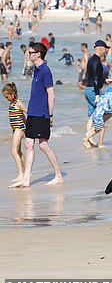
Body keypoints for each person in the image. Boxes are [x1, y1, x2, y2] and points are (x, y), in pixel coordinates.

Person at [9, 43, 63, 188]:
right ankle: (26, 179)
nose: (29, 54)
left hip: (42, 114)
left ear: (38, 54)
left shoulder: (45, 71)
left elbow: (51, 95)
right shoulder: (36, 69)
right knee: (28, 144)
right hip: (32, 113)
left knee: (43, 145)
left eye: (31, 52)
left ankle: (58, 175)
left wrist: (50, 115)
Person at [3, 82, 26, 184]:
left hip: (19, 128)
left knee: (13, 151)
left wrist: (28, 127)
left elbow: (27, 112)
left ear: (12, 94)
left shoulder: (18, 103)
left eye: (7, 96)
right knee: (19, 152)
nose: (6, 98)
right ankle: (27, 172)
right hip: (15, 129)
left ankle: (21, 174)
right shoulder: (12, 103)